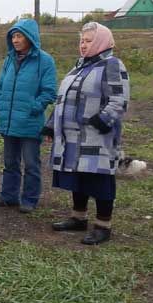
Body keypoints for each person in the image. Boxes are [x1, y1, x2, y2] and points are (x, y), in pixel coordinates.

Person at [44, 22, 130, 245]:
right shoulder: (79, 67)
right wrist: (51, 124)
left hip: (97, 137)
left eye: (89, 41)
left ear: (102, 41)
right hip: (72, 137)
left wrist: (102, 120)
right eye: (82, 40)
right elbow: (63, 100)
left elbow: (119, 99)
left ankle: (103, 226)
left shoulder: (111, 65)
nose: (83, 45)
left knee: (99, 180)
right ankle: (78, 217)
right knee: (77, 177)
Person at [0, 18, 58, 213]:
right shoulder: (9, 59)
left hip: (29, 122)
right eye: (13, 36)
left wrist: (33, 107)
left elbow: (49, 91)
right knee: (9, 162)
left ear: (30, 37)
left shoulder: (45, 61)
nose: (15, 40)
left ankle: (29, 199)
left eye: (19, 36)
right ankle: (8, 196)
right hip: (9, 121)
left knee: (31, 164)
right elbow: (1, 85)